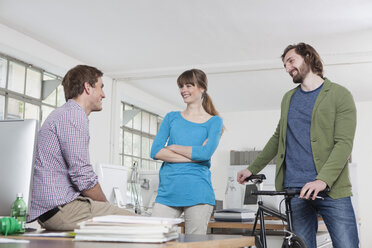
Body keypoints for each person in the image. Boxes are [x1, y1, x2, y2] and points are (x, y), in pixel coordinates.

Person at [237, 43, 359, 248]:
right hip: (295, 190)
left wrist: (322, 180)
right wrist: (252, 168)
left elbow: (344, 144)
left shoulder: (340, 95)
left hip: (332, 190)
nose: (287, 68)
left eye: (291, 61)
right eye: (285, 64)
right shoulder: (289, 98)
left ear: (308, 58)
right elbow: (278, 138)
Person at [27, 65, 135, 231]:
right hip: (61, 209)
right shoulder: (73, 115)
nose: (103, 95)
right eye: (101, 87)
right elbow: (82, 175)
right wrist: (108, 208)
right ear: (87, 87)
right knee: (139, 223)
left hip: (53, 209)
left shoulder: (64, 114)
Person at [150, 69, 223, 234]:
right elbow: (155, 151)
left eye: (189, 85)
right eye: (181, 86)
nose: (183, 90)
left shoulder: (214, 121)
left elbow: (205, 154)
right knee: (154, 239)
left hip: (198, 193)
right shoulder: (171, 117)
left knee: (194, 245)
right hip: (167, 191)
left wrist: (174, 147)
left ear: (202, 88)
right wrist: (194, 157)